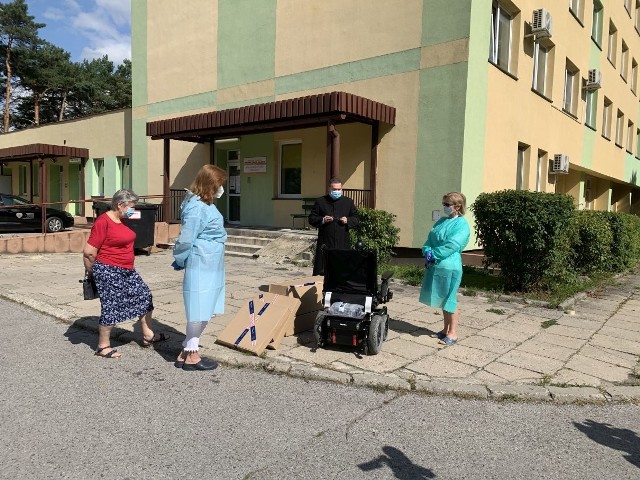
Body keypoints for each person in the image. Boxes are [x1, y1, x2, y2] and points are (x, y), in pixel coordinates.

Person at [83, 189, 165, 359]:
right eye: (131, 206)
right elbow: (89, 252)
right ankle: (103, 346)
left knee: (144, 296)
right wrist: (94, 273)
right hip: (108, 269)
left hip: (127, 270)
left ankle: (148, 335)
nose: (133, 210)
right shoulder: (103, 221)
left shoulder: (122, 219)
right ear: (120, 205)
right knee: (112, 305)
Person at [172, 164, 227, 371]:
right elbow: (186, 237)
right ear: (211, 184)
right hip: (202, 260)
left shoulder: (204, 203)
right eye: (219, 184)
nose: (221, 188)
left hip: (210, 260)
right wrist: (180, 258)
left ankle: (185, 352)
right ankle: (192, 355)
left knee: (206, 304)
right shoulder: (196, 206)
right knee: (199, 306)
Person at [419, 192, 470, 346]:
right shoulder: (441, 221)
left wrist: (434, 254)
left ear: (458, 206)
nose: (445, 207)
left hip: (449, 266)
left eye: (447, 205)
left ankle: (453, 334)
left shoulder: (462, 225)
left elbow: (452, 245)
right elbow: (430, 238)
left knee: (450, 299)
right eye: (444, 204)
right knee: (442, 298)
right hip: (436, 265)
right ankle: (445, 329)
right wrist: (426, 250)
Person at [308, 177, 360, 275]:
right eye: (334, 189)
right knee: (324, 268)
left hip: (342, 241)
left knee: (342, 268)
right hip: (326, 241)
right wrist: (322, 219)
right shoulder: (321, 201)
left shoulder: (348, 202)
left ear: (341, 189)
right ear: (329, 189)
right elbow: (311, 218)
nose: (336, 191)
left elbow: (356, 218)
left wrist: (347, 220)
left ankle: (340, 288)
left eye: (338, 189)